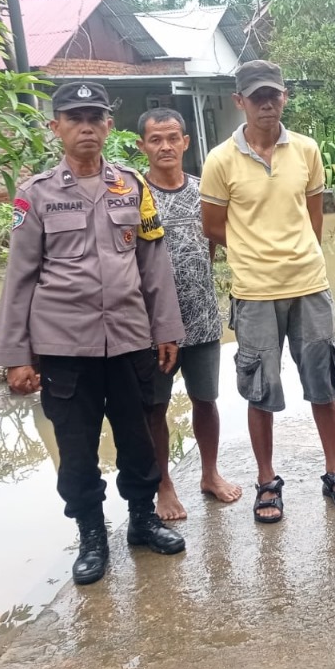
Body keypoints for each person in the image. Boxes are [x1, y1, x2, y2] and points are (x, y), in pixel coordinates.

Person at [0, 81, 186, 586]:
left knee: (139, 440)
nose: (86, 127)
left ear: (108, 127)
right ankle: (92, 535)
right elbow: (20, 278)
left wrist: (165, 327)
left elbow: (153, 260)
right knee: (76, 450)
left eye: (95, 118)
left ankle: (142, 522)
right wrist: (17, 356)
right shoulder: (35, 196)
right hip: (64, 348)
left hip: (128, 339)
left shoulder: (132, 187)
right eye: (75, 118)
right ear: (56, 127)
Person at [199, 60, 335, 524]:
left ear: (285, 97)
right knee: (260, 389)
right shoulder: (219, 160)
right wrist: (258, 253)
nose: (267, 104)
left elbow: (315, 219)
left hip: (310, 284)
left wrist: (292, 253)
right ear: (240, 102)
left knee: (323, 383)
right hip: (254, 291)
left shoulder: (306, 151)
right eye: (257, 97)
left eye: (274, 95)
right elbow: (213, 226)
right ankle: (266, 481)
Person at [135, 107, 242, 520]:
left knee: (206, 400)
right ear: (143, 145)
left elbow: (215, 244)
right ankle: (164, 484)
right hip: (153, 327)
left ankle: (209, 474)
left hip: (202, 319)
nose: (165, 146)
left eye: (172, 137)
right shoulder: (134, 194)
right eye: (155, 139)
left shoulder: (204, 191)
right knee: (155, 407)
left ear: (185, 142)